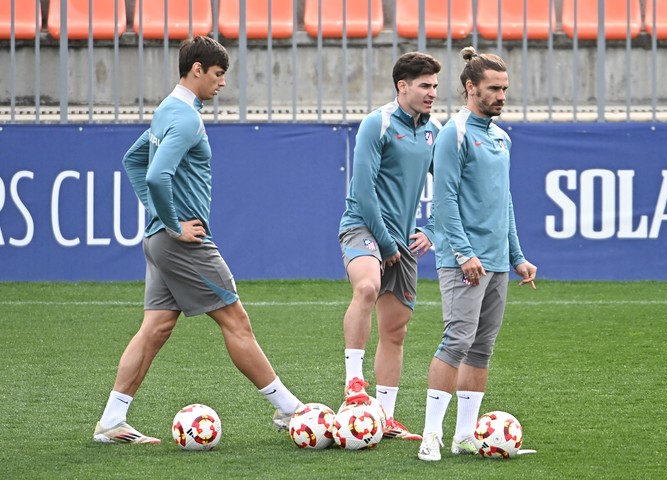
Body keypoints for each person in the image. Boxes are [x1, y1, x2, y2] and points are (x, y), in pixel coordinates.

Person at [93, 36, 303, 444]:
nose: (222, 83)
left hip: (159, 242)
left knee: (154, 330)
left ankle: (111, 422)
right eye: (219, 74)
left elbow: (133, 160)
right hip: (181, 243)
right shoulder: (187, 118)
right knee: (236, 321)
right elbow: (155, 175)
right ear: (197, 70)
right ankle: (290, 410)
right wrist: (172, 224)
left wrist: (157, 218)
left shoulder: (167, 110)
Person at [417, 47, 537, 461]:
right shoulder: (455, 132)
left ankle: (464, 435)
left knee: (482, 348)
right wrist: (465, 252)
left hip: (498, 261)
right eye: (494, 88)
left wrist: (517, 255)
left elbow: (504, 201)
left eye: (505, 88)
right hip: (462, 261)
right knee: (456, 342)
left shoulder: (502, 136)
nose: (502, 95)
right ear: (471, 88)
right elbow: (444, 201)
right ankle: (431, 435)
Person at [338, 52, 442, 441]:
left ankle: (384, 417)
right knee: (365, 287)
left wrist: (432, 230)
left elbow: (451, 189)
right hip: (363, 227)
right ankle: (354, 385)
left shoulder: (436, 130)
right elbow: (363, 191)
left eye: (435, 86)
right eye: (424, 86)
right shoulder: (377, 124)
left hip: (403, 241)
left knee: (395, 331)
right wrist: (384, 242)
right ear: (402, 86)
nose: (432, 93)